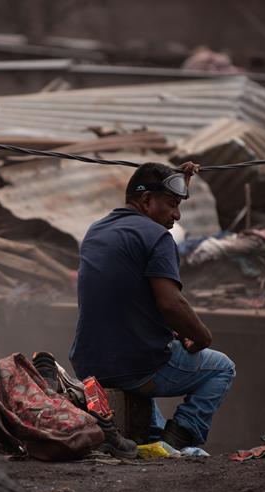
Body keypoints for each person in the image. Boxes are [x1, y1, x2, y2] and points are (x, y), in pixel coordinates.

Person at [68, 161, 236, 451]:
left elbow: (129, 299)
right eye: (171, 205)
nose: (177, 214)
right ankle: (181, 436)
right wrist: (202, 337)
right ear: (146, 200)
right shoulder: (157, 237)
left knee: (149, 419)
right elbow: (170, 304)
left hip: (89, 366)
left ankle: (154, 440)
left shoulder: (95, 232)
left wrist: (179, 179)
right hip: (135, 367)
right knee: (222, 367)